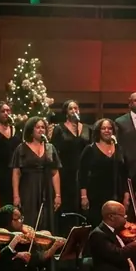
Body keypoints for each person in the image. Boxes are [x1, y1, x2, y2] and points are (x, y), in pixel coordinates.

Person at [10, 117, 62, 233]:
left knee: (46, 219)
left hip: (46, 189)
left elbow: (55, 173)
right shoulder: (22, 148)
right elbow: (16, 173)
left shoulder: (50, 148)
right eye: (37, 127)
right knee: (30, 217)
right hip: (29, 188)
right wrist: (16, 195)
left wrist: (58, 195)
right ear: (31, 130)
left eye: (43, 127)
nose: (41, 130)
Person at [50, 100, 92, 234]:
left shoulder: (87, 128)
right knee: (69, 206)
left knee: (84, 207)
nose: (74, 110)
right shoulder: (59, 128)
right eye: (71, 109)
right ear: (66, 113)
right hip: (66, 172)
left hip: (84, 172)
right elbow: (54, 151)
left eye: (76, 108)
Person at [79, 118, 129, 228]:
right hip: (96, 195)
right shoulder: (90, 149)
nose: (107, 131)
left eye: (110, 128)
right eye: (104, 128)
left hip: (116, 194)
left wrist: (126, 196)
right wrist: (84, 196)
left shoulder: (119, 149)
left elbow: (125, 174)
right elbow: (82, 174)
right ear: (98, 131)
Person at [0, 101, 20, 208]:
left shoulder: (14, 130)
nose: (6, 113)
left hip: (14, 170)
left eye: (8, 111)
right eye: (3, 111)